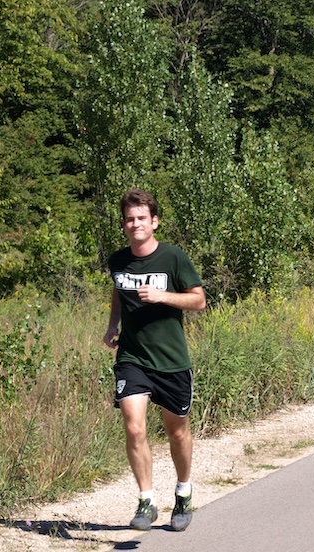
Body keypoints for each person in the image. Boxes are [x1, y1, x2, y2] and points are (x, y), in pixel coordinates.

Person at [103, 188, 206, 532]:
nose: (136, 224)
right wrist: (113, 324)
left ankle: (183, 492)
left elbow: (199, 301)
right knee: (134, 426)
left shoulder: (173, 258)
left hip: (172, 360)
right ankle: (147, 500)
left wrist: (163, 296)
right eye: (130, 220)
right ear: (124, 225)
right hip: (132, 356)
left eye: (142, 219)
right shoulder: (118, 261)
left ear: (155, 222)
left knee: (177, 432)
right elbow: (119, 289)